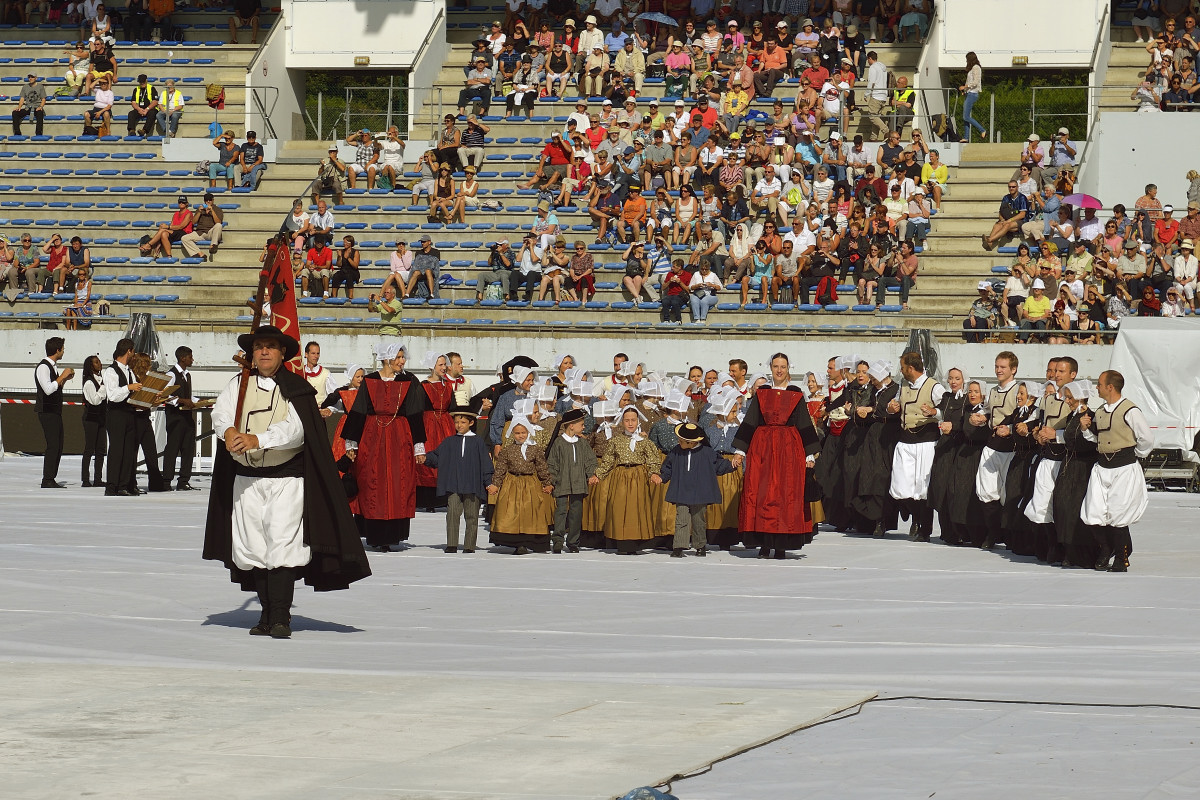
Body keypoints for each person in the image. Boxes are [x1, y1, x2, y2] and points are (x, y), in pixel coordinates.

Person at [204, 325, 369, 639]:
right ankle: (265, 615)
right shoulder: (237, 384)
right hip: (246, 480)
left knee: (282, 546)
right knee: (254, 547)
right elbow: (221, 413)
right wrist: (228, 432)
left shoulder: (296, 387)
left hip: (286, 480)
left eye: (270, 347)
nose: (264, 352)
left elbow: (295, 430)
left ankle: (280, 616)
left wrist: (257, 439)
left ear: (282, 354)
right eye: (259, 347)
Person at [732, 353, 821, 559]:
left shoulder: (796, 393)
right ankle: (764, 544)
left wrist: (810, 454)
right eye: (775, 366)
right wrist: (740, 450)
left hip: (789, 451)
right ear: (770, 368)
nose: (779, 370)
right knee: (762, 494)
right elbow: (751, 421)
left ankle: (781, 545)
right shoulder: (762, 393)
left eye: (783, 366)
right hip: (762, 449)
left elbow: (804, 424)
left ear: (788, 368)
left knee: (784, 496)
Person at [341, 342, 428, 552]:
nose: (402, 361)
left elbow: (415, 413)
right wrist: (351, 442)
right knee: (374, 483)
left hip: (400, 435)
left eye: (402, 357)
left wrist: (419, 446)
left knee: (398, 483)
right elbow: (359, 411)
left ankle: (393, 535)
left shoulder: (409, 381)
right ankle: (375, 535)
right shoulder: (370, 381)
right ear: (386, 358)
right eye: (398, 357)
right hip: (372, 435)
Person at [1079, 370, 1155, 572]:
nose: (1097, 387)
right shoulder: (1101, 411)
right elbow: (1099, 439)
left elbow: (1146, 438)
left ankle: (1121, 559)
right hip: (1102, 467)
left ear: (1110, 387)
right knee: (1093, 512)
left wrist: (1134, 454)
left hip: (1124, 467)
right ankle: (1107, 547)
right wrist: (1086, 430)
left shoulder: (1130, 410)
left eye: (1100, 384)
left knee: (1118, 514)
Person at [653, 421, 736, 558]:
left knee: (699, 520)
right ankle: (679, 547)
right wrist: (661, 478)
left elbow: (720, 465)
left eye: (682, 441)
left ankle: (700, 546)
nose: (679, 442)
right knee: (682, 519)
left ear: (692, 442)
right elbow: (668, 468)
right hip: (681, 491)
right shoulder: (676, 451)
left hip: (701, 492)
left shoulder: (708, 452)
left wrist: (733, 464)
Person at [886, 351, 945, 542]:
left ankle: (924, 529)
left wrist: (934, 411)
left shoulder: (934, 387)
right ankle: (912, 515)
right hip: (905, 441)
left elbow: (947, 410)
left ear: (910, 368)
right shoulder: (902, 385)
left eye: (902, 367)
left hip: (926, 441)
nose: (901, 371)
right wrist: (891, 408)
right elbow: (895, 403)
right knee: (900, 487)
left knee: (922, 489)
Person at [423, 401, 493, 554]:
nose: (459, 425)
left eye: (463, 422)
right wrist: (425, 459)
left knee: (472, 516)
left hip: (473, 485)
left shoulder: (478, 442)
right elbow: (437, 457)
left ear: (471, 422)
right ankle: (452, 544)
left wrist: (489, 482)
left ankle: (469, 546)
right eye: (456, 422)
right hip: (453, 484)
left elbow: (486, 464)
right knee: (452, 514)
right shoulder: (449, 441)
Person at [972, 351, 1020, 550]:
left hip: (1011, 449)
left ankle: (1009, 534)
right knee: (986, 491)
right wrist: (979, 416)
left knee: (1008, 494)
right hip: (992, 446)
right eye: (997, 366)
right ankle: (992, 533)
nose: (999, 370)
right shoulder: (992, 391)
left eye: (1003, 367)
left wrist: (1009, 428)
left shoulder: (1018, 390)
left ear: (1013, 369)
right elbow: (987, 409)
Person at [489, 415, 555, 554]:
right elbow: (500, 468)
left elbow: (542, 467)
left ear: (528, 432)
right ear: (513, 433)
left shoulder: (535, 449)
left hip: (530, 484)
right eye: (517, 433)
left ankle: (528, 541)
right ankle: (515, 542)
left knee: (530, 512)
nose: (520, 436)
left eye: (523, 433)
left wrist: (547, 483)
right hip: (511, 484)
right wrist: (496, 484)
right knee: (512, 512)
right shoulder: (507, 450)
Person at [546, 407, 600, 554]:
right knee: (561, 512)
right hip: (561, 483)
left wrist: (591, 475)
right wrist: (552, 481)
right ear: (571, 425)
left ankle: (573, 542)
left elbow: (590, 461)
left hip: (578, 483)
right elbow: (552, 464)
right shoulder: (558, 443)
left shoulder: (582, 443)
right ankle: (557, 540)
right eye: (581, 424)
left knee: (576, 513)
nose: (583, 427)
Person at [103, 338, 142, 496]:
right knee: (117, 450)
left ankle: (125, 485)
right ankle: (112, 485)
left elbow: (133, 391)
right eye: (133, 352)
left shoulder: (129, 371)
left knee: (129, 451)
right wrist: (129, 387)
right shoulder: (111, 371)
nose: (134, 356)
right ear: (129, 351)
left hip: (129, 413)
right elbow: (113, 395)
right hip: (116, 414)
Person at [34, 337, 73, 489]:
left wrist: (64, 379)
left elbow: (55, 386)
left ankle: (51, 477)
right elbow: (48, 389)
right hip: (47, 410)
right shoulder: (43, 367)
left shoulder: (52, 366)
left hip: (55, 410)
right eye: (63, 348)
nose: (64, 351)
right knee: (53, 444)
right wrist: (62, 376)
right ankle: (48, 478)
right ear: (57, 350)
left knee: (58, 444)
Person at [160, 345, 198, 491]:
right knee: (173, 448)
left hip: (187, 416)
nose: (192, 359)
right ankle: (166, 481)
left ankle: (183, 480)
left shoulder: (187, 375)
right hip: (175, 417)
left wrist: (195, 401)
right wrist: (182, 401)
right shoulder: (171, 375)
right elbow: (165, 396)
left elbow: (186, 395)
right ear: (183, 358)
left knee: (188, 448)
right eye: (190, 357)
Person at [959, 51, 986, 141]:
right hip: (969, 93)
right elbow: (970, 82)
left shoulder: (976, 68)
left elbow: (975, 82)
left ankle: (982, 130)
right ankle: (966, 137)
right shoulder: (972, 68)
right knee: (965, 116)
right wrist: (965, 90)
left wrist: (965, 87)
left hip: (973, 93)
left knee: (966, 116)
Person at [12, 73, 46, 137]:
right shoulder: (25, 87)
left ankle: (38, 133)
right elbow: (22, 98)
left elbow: (43, 99)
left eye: (32, 77)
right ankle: (17, 133)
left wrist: (41, 107)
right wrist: (19, 107)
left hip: (37, 107)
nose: (30, 78)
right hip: (28, 107)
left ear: (36, 78)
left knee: (40, 113)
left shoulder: (40, 86)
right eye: (29, 77)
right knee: (15, 113)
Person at [301, 341, 331, 406]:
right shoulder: (300, 372)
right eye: (313, 353)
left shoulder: (325, 373)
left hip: (319, 412)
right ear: (306, 354)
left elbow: (333, 395)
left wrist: (329, 409)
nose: (316, 356)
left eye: (318, 353)